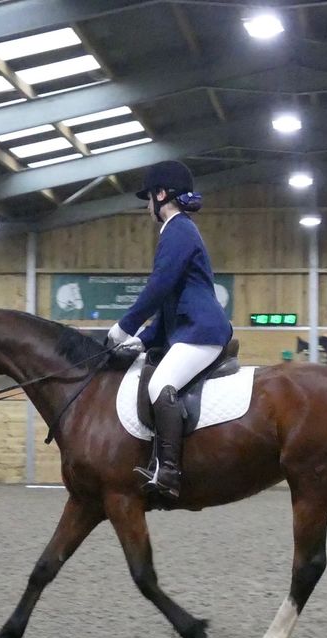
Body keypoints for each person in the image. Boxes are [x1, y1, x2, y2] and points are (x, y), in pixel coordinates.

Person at [105, 160, 231, 499]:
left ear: (162, 195)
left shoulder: (178, 229)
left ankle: (169, 472)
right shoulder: (179, 231)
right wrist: (140, 343)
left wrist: (123, 327)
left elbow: (159, 286)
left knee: (161, 383)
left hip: (202, 331)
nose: (148, 206)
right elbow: (167, 309)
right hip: (187, 329)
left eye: (149, 198)